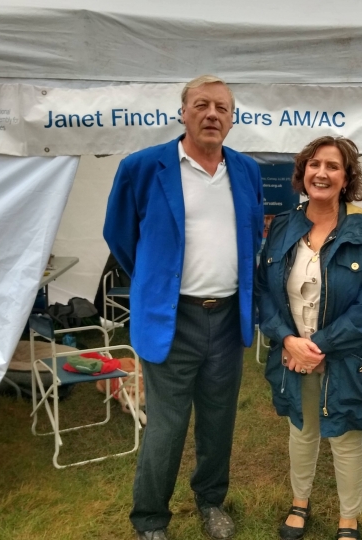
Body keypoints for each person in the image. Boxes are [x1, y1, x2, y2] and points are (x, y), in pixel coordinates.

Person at [103, 75, 264, 540]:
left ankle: (211, 502)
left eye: (222, 108)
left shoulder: (246, 170)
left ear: (232, 121)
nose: (212, 114)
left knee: (219, 421)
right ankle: (150, 518)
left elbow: (251, 234)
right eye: (202, 105)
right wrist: (157, 281)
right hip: (174, 319)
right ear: (183, 112)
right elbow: (120, 236)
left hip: (228, 315)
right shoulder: (142, 167)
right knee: (167, 427)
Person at [255, 136, 362, 540]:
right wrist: (287, 340)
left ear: (346, 178)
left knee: (344, 435)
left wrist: (321, 347)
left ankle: (349, 519)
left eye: (333, 166)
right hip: (295, 353)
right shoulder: (282, 227)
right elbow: (265, 291)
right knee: (302, 428)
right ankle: (300, 502)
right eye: (314, 164)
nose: (322, 173)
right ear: (303, 173)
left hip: (343, 356)